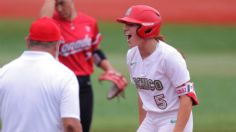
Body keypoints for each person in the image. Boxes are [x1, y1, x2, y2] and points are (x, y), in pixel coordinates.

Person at [40, 0, 128, 132]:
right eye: (55, 4)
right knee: (61, 127)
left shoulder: (89, 22)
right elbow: (42, 21)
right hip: (61, 84)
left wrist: (111, 70)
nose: (58, 8)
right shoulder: (53, 24)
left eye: (61, 3)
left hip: (84, 86)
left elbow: (94, 51)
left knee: (83, 127)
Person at [117, 5, 199, 132]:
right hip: (151, 119)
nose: (125, 28)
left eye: (130, 24)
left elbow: (187, 97)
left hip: (173, 117)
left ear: (147, 27)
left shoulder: (169, 56)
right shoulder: (132, 55)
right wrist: (142, 125)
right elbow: (142, 95)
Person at [0, 17, 82, 132]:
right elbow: (70, 125)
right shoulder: (65, 76)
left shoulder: (4, 72)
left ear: (28, 41)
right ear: (57, 45)